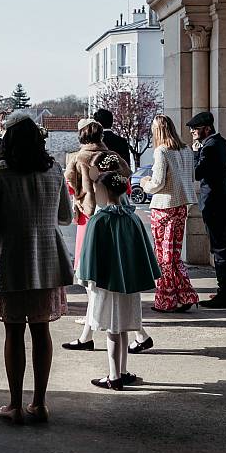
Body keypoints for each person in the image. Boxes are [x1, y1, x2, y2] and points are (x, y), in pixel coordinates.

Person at [0, 116, 73, 424]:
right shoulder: (53, 170)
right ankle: (39, 403)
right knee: (42, 331)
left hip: (9, 261)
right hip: (47, 260)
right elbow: (65, 216)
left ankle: (15, 405)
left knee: (13, 332)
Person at [63, 119, 154, 353]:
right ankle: (92, 336)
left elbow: (71, 188)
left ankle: (100, 336)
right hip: (117, 211)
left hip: (91, 217)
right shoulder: (114, 157)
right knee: (112, 278)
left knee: (95, 279)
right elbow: (127, 181)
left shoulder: (76, 158)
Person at [76, 152, 161, 390]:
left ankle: (113, 376)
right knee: (123, 328)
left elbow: (90, 254)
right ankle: (122, 372)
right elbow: (143, 250)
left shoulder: (99, 220)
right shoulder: (132, 218)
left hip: (108, 283)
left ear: (104, 193)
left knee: (113, 331)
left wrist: (86, 278)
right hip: (129, 285)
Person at [141, 115, 200, 314]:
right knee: (174, 255)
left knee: (163, 257)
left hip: (164, 207)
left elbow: (157, 182)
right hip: (182, 205)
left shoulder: (162, 151)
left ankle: (166, 300)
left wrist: (144, 184)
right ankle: (185, 295)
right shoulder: (186, 150)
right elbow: (191, 178)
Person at [187, 111, 226, 308]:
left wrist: (195, 152)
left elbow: (197, 173)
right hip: (225, 200)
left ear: (207, 128)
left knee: (220, 248)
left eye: (195, 129)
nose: (193, 132)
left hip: (216, 203)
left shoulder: (209, 147)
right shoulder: (220, 142)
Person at [62, 118, 106, 268]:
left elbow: (68, 186)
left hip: (87, 211)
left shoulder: (78, 159)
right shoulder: (112, 156)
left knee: (86, 259)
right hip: (109, 210)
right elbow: (125, 185)